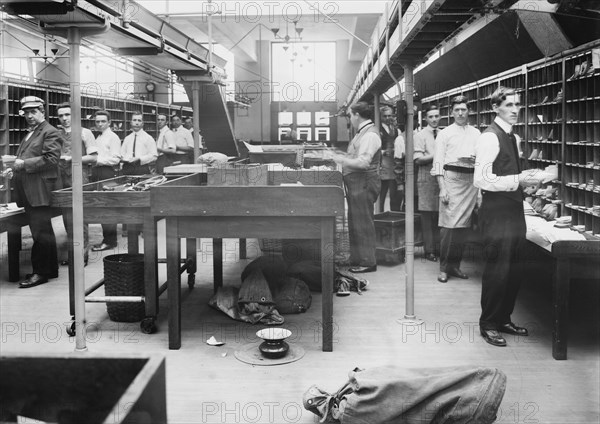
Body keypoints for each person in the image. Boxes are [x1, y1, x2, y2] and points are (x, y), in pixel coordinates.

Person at [474, 86, 547, 347]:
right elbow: (481, 179)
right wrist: (518, 179)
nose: (515, 110)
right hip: (496, 212)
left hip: (514, 209)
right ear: (496, 108)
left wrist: (529, 183)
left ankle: (504, 318)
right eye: (509, 105)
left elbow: (505, 175)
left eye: (518, 104)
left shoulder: (513, 137)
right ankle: (488, 324)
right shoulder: (489, 137)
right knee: (497, 269)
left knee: (515, 267)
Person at [9, 96, 63, 288]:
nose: (30, 116)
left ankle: (40, 272)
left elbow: (51, 159)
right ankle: (50, 269)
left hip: (39, 190)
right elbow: (24, 158)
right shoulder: (31, 134)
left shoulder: (50, 131)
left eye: (34, 112)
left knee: (40, 233)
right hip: (29, 189)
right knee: (43, 231)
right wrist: (13, 168)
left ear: (42, 112)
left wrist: (23, 164)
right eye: (26, 112)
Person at [431, 95, 480, 283]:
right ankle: (443, 268)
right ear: (451, 113)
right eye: (457, 110)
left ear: (469, 111)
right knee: (448, 227)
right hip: (451, 181)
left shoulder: (477, 134)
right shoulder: (444, 134)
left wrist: (480, 190)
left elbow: (482, 160)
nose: (460, 113)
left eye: (464, 110)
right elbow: (438, 163)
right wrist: (442, 188)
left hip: (470, 182)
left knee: (463, 228)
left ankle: (455, 266)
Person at [332, 102, 381, 273]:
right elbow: (356, 155)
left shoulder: (369, 135)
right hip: (357, 184)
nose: (350, 119)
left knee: (363, 223)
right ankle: (358, 258)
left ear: (357, 115)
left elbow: (363, 163)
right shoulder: (363, 133)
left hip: (364, 184)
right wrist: (341, 155)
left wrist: (340, 160)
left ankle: (368, 262)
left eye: (351, 115)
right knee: (356, 222)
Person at [56, 102, 98, 265]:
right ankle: (73, 255)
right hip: (62, 179)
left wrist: (73, 159)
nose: (64, 118)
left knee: (80, 218)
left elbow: (93, 158)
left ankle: (83, 255)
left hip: (80, 178)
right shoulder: (57, 133)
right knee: (67, 218)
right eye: (61, 115)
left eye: (67, 115)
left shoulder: (84, 132)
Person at [91, 110, 122, 252]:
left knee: (108, 208)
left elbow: (116, 158)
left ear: (109, 122)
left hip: (107, 173)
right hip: (98, 172)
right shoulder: (99, 137)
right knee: (102, 207)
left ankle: (110, 241)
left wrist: (98, 161)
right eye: (97, 121)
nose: (100, 124)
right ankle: (108, 239)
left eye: (103, 121)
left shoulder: (113, 137)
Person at [414, 104, 441, 262]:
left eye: (436, 116)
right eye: (431, 117)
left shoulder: (443, 134)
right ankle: (429, 250)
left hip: (441, 179)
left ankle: (438, 248)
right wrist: (437, 154)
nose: (434, 119)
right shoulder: (420, 136)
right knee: (427, 216)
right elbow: (418, 160)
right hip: (426, 179)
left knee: (440, 216)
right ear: (425, 118)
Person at [379, 106, 401, 211]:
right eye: (385, 116)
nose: (388, 118)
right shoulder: (377, 130)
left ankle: (393, 215)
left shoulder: (396, 129)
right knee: (381, 195)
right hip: (382, 165)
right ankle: (379, 215)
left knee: (394, 195)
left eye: (390, 115)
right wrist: (383, 152)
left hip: (394, 166)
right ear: (380, 117)